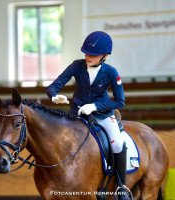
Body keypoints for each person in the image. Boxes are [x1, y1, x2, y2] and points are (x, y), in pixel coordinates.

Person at [46, 31, 130, 199]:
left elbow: (120, 101)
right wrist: (54, 96)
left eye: (93, 54)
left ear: (105, 56)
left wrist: (95, 106)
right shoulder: (77, 66)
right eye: (86, 52)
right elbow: (54, 85)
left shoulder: (111, 72)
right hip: (77, 115)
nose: (88, 56)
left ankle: (122, 186)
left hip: (103, 115)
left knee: (118, 144)